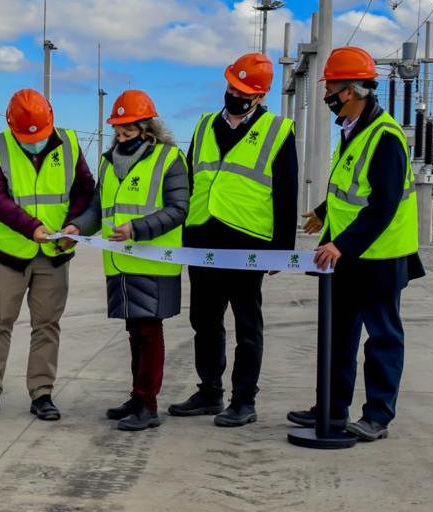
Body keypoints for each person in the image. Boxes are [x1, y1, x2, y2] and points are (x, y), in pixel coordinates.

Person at [288, 47, 425, 442]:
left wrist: (342, 244)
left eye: (330, 86)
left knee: (382, 338)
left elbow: (381, 207)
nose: (326, 93)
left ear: (348, 91)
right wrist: (322, 212)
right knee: (339, 337)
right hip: (347, 255)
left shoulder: (385, 138)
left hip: (379, 258)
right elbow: (350, 191)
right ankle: (331, 409)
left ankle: (377, 417)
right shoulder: (352, 130)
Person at [169, 52, 299, 427]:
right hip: (202, 236)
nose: (234, 94)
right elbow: (193, 178)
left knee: (247, 324)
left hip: (248, 242)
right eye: (231, 86)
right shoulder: (205, 124)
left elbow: (285, 193)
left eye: (243, 90)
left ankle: (244, 400)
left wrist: (281, 250)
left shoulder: (277, 130)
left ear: (259, 96)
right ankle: (210, 391)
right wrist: (185, 233)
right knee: (204, 320)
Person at [0, 88, 95, 421]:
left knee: (47, 325)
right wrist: (31, 227)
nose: (32, 141)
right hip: (9, 255)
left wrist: (74, 227)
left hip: (54, 253)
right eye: (25, 136)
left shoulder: (68, 145)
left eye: (37, 135)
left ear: (51, 120)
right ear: (11, 126)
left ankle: (42, 393)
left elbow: (84, 190)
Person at [71, 90, 189, 431]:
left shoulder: (169, 159)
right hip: (120, 262)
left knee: (149, 332)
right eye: (118, 131)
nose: (122, 138)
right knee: (134, 332)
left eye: (129, 131)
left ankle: (148, 405)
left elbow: (178, 210)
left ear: (147, 128)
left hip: (153, 262)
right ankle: (138, 396)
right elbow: (98, 207)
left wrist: (136, 229)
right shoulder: (108, 162)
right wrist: (77, 226)